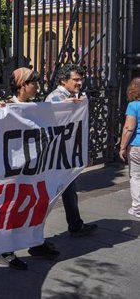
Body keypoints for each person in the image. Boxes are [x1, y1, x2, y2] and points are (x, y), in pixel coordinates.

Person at [0, 68, 60, 270]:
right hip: (15, 171)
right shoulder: (7, 107)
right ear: (23, 84)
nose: (37, 85)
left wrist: (72, 105)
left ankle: (35, 243)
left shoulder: (35, 106)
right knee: (13, 210)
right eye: (34, 82)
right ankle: (6, 251)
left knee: (38, 205)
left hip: (35, 169)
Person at [45, 63, 97, 236]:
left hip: (68, 154)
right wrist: (66, 107)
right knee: (49, 196)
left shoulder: (77, 96)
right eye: (75, 79)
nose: (80, 82)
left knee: (69, 190)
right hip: (56, 156)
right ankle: (34, 235)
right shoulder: (55, 97)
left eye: (81, 79)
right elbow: (51, 121)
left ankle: (75, 225)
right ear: (63, 80)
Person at [119, 77, 140, 218]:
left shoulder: (133, 106)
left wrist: (122, 147)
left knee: (136, 176)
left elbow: (128, 128)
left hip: (137, 145)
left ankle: (137, 208)